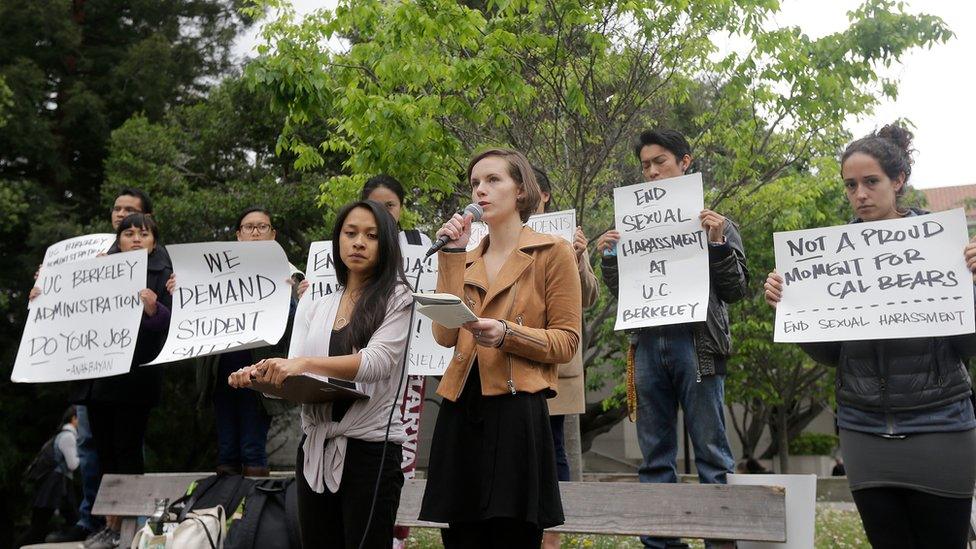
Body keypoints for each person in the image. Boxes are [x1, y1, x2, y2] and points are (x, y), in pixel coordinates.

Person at [764, 123, 976, 549]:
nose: (859, 194)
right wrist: (791, 309)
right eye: (850, 185)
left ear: (898, 181)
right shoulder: (829, 259)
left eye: (870, 182)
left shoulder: (946, 249)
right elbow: (831, 354)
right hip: (862, 428)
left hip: (940, 424)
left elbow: (967, 348)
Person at [418, 148, 582, 547]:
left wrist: (508, 335)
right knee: (462, 536)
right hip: (461, 407)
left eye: (493, 180)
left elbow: (567, 341)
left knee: (512, 533)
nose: (480, 191)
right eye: (475, 183)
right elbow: (444, 335)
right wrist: (453, 256)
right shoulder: (465, 256)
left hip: (515, 410)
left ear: (522, 190)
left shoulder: (552, 252)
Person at [229, 200, 413, 549]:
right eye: (350, 233)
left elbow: (377, 362)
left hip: (370, 452)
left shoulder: (398, 297)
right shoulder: (319, 301)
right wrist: (258, 377)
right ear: (337, 240)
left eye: (371, 235)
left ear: (386, 244)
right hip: (313, 448)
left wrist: (300, 365)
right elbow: (295, 371)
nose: (359, 242)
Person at [596, 129, 748, 549]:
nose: (651, 171)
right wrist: (610, 255)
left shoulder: (717, 223)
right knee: (654, 457)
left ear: (685, 162)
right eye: (645, 165)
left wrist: (717, 244)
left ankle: (720, 543)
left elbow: (736, 291)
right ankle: (661, 544)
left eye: (660, 161)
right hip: (646, 345)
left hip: (697, 346)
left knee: (712, 455)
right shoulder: (630, 225)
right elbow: (622, 290)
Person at [46, 188, 170, 544]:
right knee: (101, 453)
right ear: (118, 237)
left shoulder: (165, 273)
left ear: (154, 238)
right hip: (97, 380)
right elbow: (66, 315)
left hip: (135, 381)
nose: (135, 237)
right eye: (128, 232)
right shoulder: (96, 269)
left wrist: (153, 308)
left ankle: (125, 527)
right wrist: (44, 293)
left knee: (127, 453)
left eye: (142, 232)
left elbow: (172, 326)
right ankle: (105, 525)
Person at [169, 207, 303, 477]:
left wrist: (292, 296)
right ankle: (227, 513)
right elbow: (193, 314)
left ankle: (255, 513)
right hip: (221, 372)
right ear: (238, 235)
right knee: (227, 449)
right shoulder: (211, 272)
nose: (255, 232)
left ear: (273, 234)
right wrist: (179, 292)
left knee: (253, 447)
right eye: (249, 227)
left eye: (262, 227)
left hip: (260, 372)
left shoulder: (290, 274)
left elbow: (296, 324)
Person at [532, 167, 599, 549]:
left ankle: (552, 537)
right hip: (510, 359)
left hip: (556, 363)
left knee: (553, 446)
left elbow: (589, 297)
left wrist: (577, 258)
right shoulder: (497, 236)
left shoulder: (567, 239)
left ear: (545, 195)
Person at [15, 407, 81, 548]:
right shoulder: (69, 436)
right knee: (39, 527)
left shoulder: (61, 434)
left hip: (54, 485)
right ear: (74, 418)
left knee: (69, 521)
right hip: (57, 485)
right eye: (80, 417)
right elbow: (73, 464)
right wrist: (84, 453)